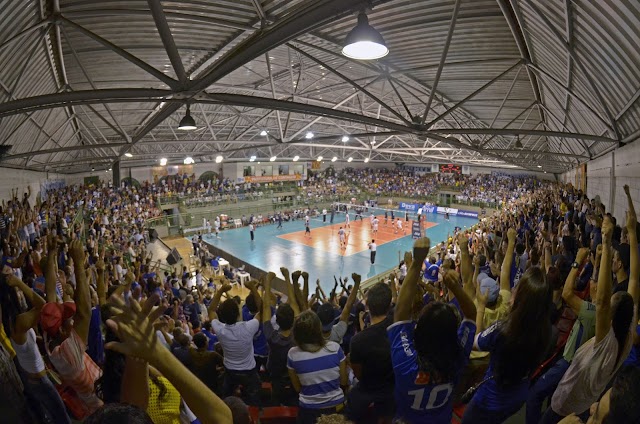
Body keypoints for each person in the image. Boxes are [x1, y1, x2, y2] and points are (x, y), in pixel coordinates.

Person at [542, 208, 638, 423]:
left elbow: (603, 301)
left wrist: (606, 238)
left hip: (566, 402)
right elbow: (633, 281)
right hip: (585, 401)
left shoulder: (608, 340)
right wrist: (631, 233)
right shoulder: (627, 334)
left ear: (610, 316)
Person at [462, 230, 553, 424]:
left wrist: (479, 308)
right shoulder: (545, 329)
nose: (512, 287)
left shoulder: (504, 329)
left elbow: (474, 341)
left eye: (517, 287)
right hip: (518, 395)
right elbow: (504, 275)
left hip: (490, 398)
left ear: (520, 297)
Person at [389, 237, 477, 423]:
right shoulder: (458, 356)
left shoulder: (406, 364)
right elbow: (471, 316)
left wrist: (416, 263)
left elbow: (400, 314)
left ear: (420, 331)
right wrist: (455, 286)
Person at [0, 265, 71, 424]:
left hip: (33, 376)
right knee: (62, 417)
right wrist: (19, 283)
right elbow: (43, 305)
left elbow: (27, 343)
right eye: (17, 292)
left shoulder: (11, 319)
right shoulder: (19, 321)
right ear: (10, 296)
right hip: (39, 381)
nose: (20, 294)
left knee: (51, 415)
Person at [42, 239, 104, 414]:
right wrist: (78, 260)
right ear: (62, 330)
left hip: (89, 396)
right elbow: (85, 313)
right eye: (68, 320)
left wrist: (52, 252)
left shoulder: (50, 339)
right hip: (101, 404)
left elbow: (51, 293)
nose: (72, 320)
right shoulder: (69, 353)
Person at [287, 310, 348, 424]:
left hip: (308, 411)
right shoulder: (335, 348)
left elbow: (297, 388)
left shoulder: (293, 354)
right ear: (318, 329)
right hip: (336, 408)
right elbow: (343, 381)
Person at [346, 282, 395, 423]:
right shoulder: (396, 328)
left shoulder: (358, 340)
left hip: (368, 393)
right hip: (392, 391)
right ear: (389, 304)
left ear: (367, 305)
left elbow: (359, 375)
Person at [208, 281, 261, 406]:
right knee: (254, 396)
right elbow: (262, 310)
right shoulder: (248, 327)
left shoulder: (220, 330)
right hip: (249, 371)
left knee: (228, 396)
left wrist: (221, 290)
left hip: (230, 370)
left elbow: (211, 310)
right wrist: (253, 288)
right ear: (238, 313)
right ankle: (255, 412)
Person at [261, 272, 296, 405]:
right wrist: (288, 277)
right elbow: (293, 302)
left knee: (276, 393)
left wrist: (268, 281)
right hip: (293, 373)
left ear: (278, 321)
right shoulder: (298, 334)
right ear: (293, 320)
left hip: (276, 374)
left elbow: (265, 307)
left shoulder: (272, 336)